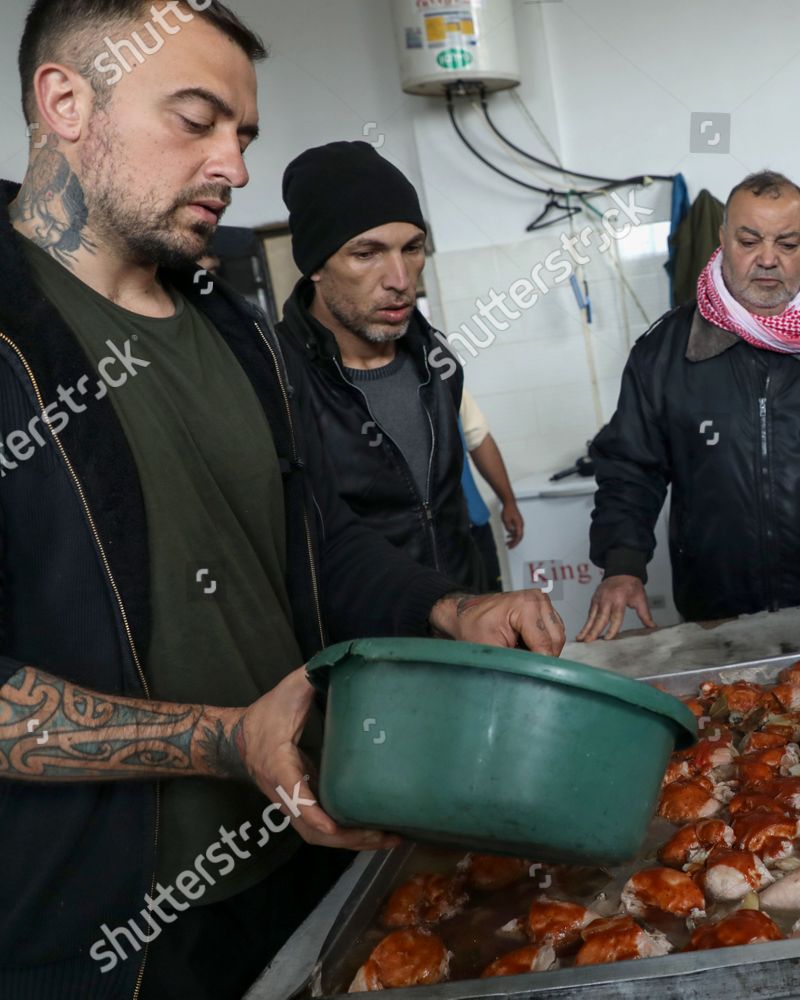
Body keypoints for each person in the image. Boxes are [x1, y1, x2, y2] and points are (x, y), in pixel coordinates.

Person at [1, 3, 563, 996]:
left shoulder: (241, 330)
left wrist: (451, 605)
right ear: (64, 102)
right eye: (196, 120)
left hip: (317, 863)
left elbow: (319, 542)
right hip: (113, 932)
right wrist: (218, 737)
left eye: (245, 134)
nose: (236, 167)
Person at [579, 170, 800, 640]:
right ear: (722, 239)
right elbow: (629, 467)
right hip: (715, 619)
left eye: (786, 243)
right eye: (749, 241)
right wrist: (622, 566)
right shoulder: (664, 352)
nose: (767, 259)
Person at [277, 141, 486, 591]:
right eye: (366, 253)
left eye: (412, 249)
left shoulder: (437, 362)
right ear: (315, 264)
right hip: (362, 650)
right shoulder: (276, 379)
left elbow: (446, 513)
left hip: (465, 629)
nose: (399, 279)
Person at [459, 388, 524, 590]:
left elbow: (477, 438)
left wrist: (508, 501)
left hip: (473, 525)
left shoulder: (440, 373)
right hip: (413, 542)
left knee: (491, 608)